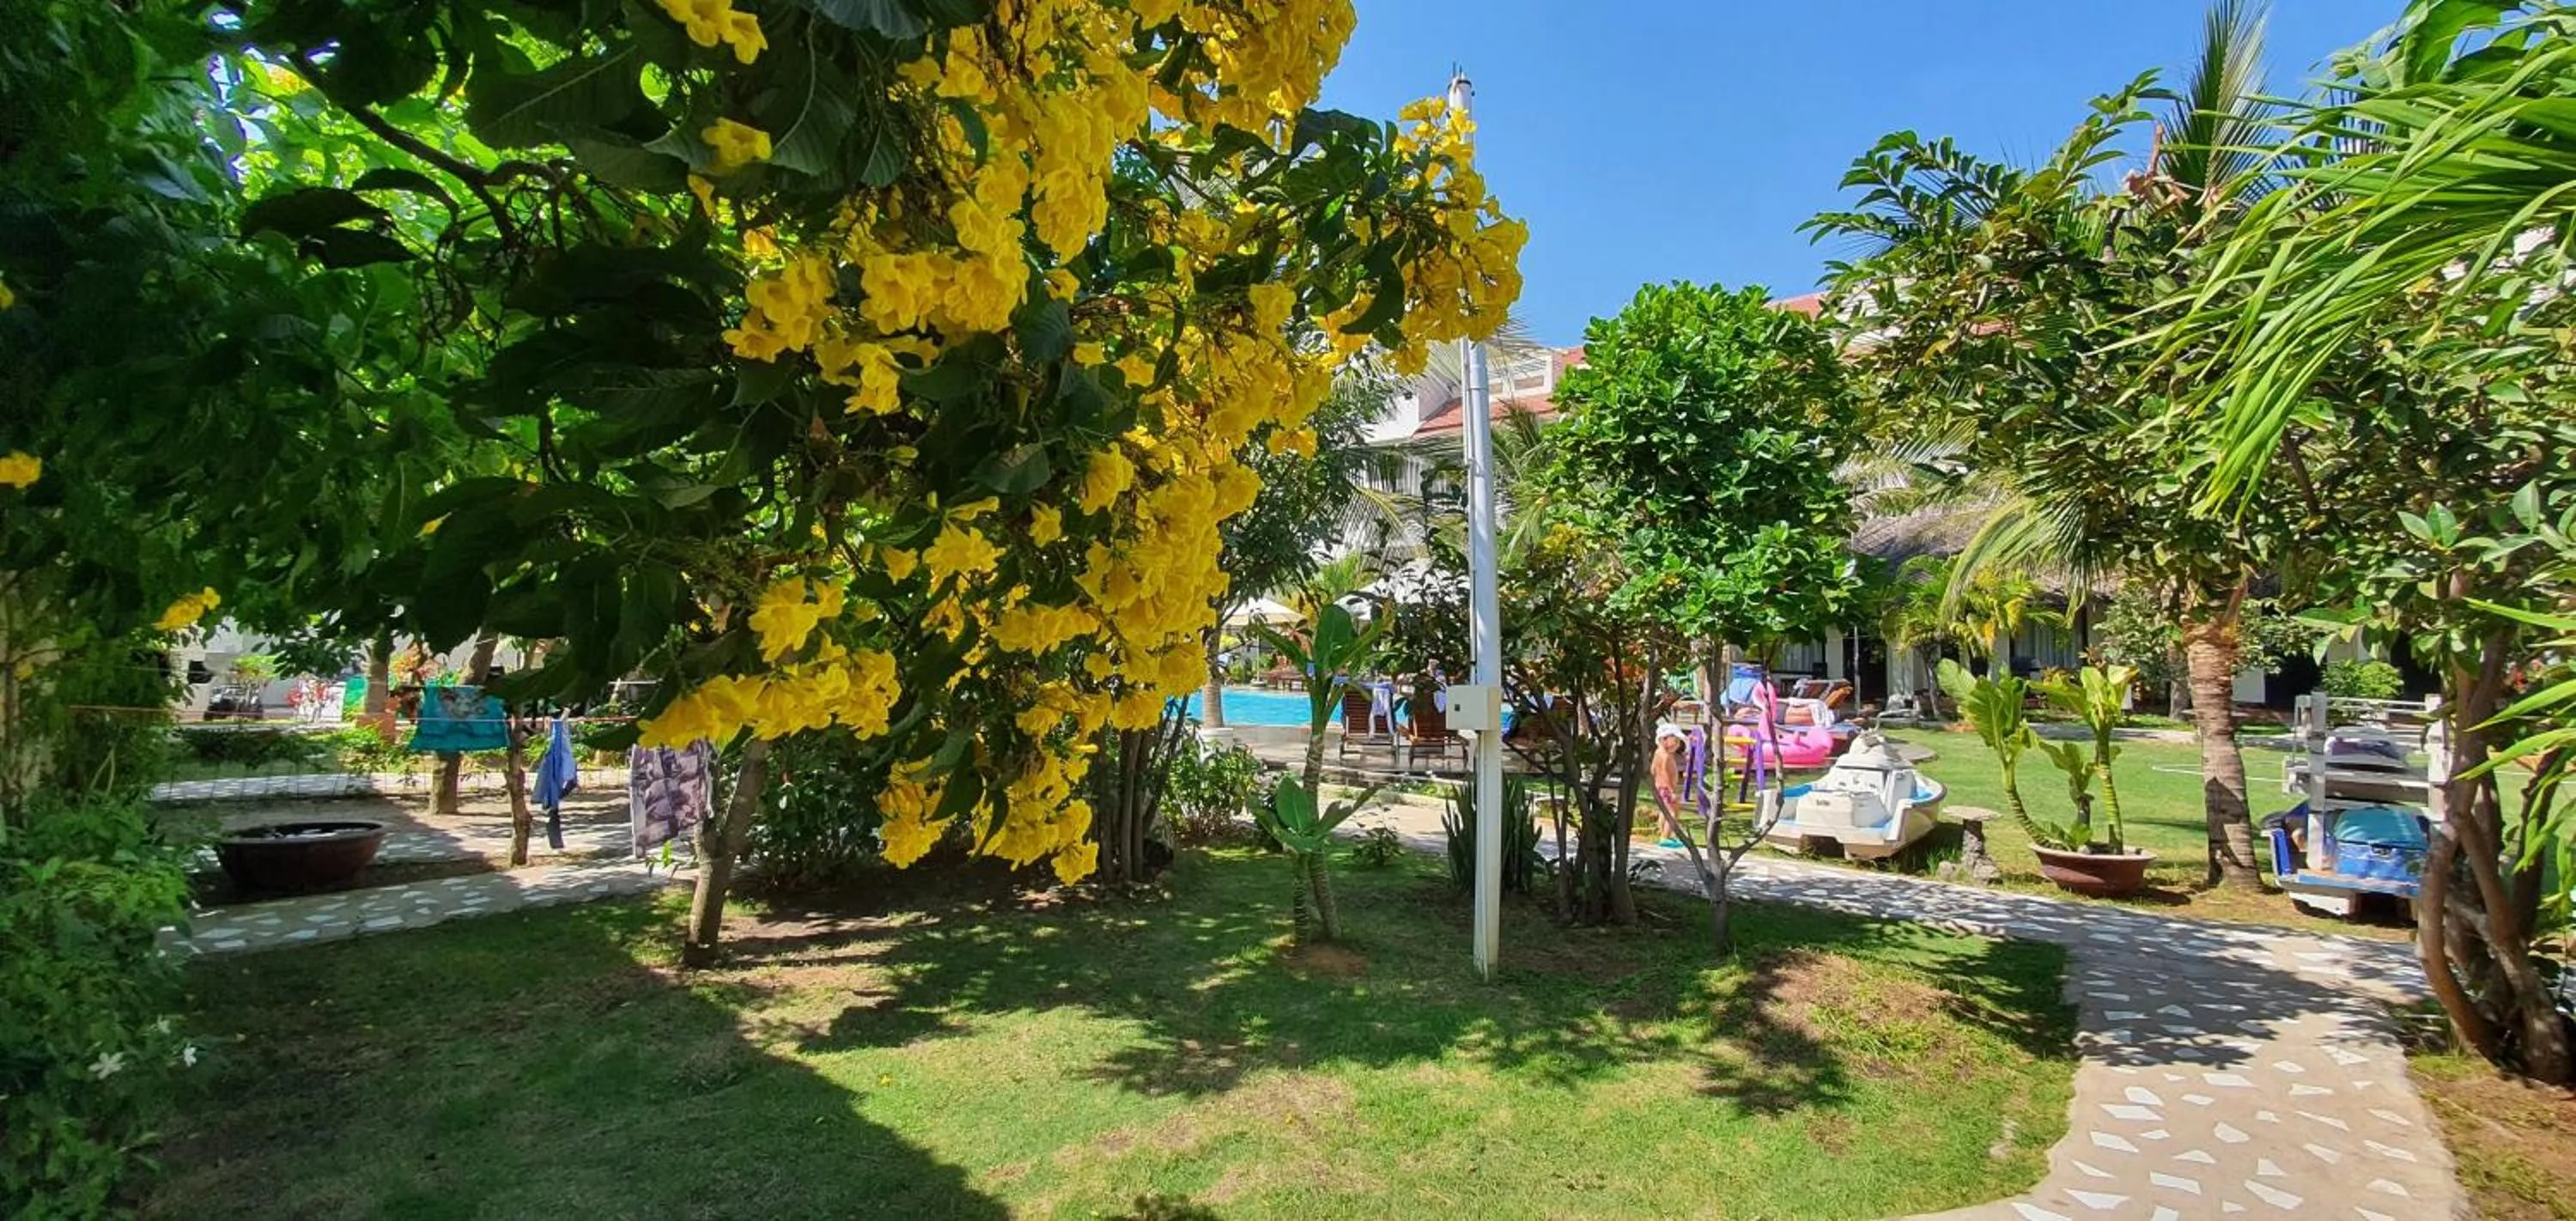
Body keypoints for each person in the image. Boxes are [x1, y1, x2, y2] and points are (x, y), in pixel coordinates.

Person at [1649, 723, 1690, 849]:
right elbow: (1664, 774)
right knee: (1673, 812)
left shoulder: (1658, 753)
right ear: (1664, 739)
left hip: (1660, 787)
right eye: (1675, 741)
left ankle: (1663, 834)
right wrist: (1671, 791)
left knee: (1665, 811)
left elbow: (1652, 770)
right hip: (1666, 788)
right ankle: (1665, 837)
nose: (1678, 745)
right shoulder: (1666, 756)